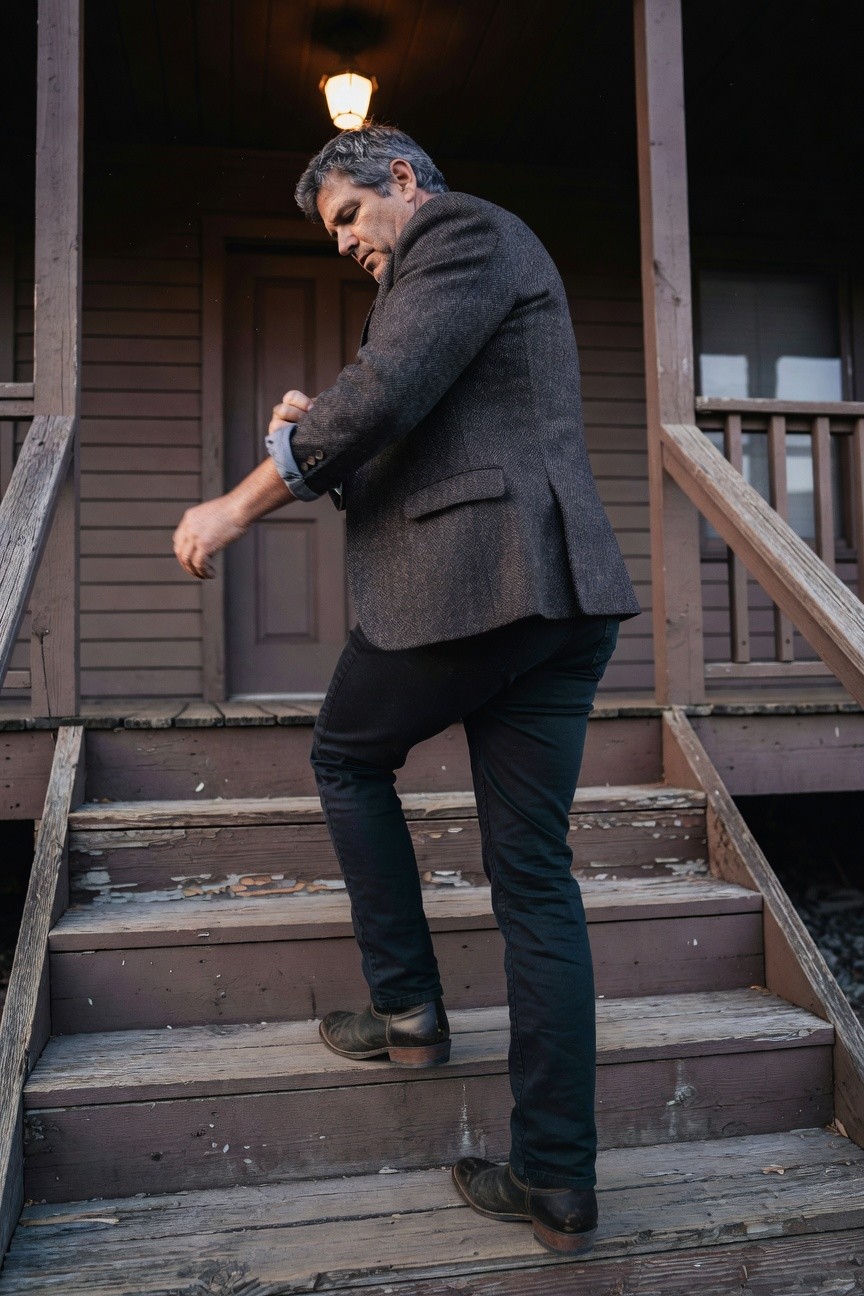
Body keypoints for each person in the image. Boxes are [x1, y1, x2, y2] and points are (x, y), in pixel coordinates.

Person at [172, 124, 639, 1255]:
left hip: (483, 589)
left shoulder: (463, 230)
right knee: (534, 879)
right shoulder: (452, 276)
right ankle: (557, 1187)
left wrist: (240, 501)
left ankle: (411, 1011)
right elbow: (407, 419)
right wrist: (311, 434)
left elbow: (384, 390)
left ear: (400, 179)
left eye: (345, 217)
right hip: (550, 605)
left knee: (344, 756)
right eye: (329, 234)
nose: (343, 244)